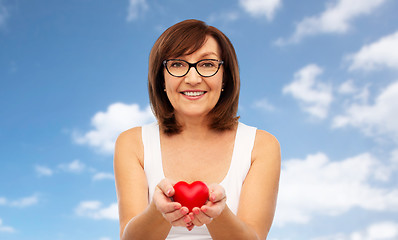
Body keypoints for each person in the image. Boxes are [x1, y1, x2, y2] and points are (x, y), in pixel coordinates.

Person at [114, 19, 281, 240]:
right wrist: (158, 211)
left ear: (225, 77)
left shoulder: (261, 145)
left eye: (208, 64)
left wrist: (218, 214)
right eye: (177, 64)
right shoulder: (132, 143)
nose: (192, 78)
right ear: (161, 78)